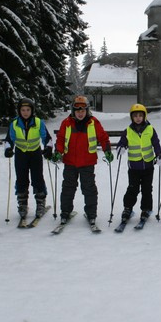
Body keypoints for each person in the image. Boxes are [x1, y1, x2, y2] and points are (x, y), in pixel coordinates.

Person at [54, 95, 112, 228]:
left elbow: (103, 137)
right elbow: (61, 139)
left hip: (87, 163)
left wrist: (107, 150)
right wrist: (58, 152)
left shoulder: (93, 122)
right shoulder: (67, 123)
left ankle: (91, 214)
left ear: (87, 110)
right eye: (77, 111)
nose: (80, 113)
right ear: (73, 111)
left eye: (83, 110)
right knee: (68, 188)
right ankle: (65, 212)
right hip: (70, 162)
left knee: (89, 189)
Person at [4, 98, 54, 220]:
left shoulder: (38, 122)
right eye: (23, 110)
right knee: (21, 179)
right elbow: (9, 139)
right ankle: (22, 204)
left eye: (28, 110)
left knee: (37, 178)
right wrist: (8, 148)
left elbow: (47, 138)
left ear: (32, 111)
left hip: (35, 153)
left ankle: (40, 203)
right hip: (21, 154)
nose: (25, 112)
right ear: (19, 111)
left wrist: (48, 148)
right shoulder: (14, 124)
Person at [115, 103, 161, 224]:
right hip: (134, 167)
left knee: (147, 189)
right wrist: (121, 147)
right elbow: (122, 142)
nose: (138, 118)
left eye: (140, 115)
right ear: (132, 117)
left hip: (148, 166)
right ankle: (128, 208)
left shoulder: (150, 129)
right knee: (133, 189)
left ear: (144, 116)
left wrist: (159, 155)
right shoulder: (128, 131)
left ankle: (146, 209)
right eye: (135, 116)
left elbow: (156, 143)